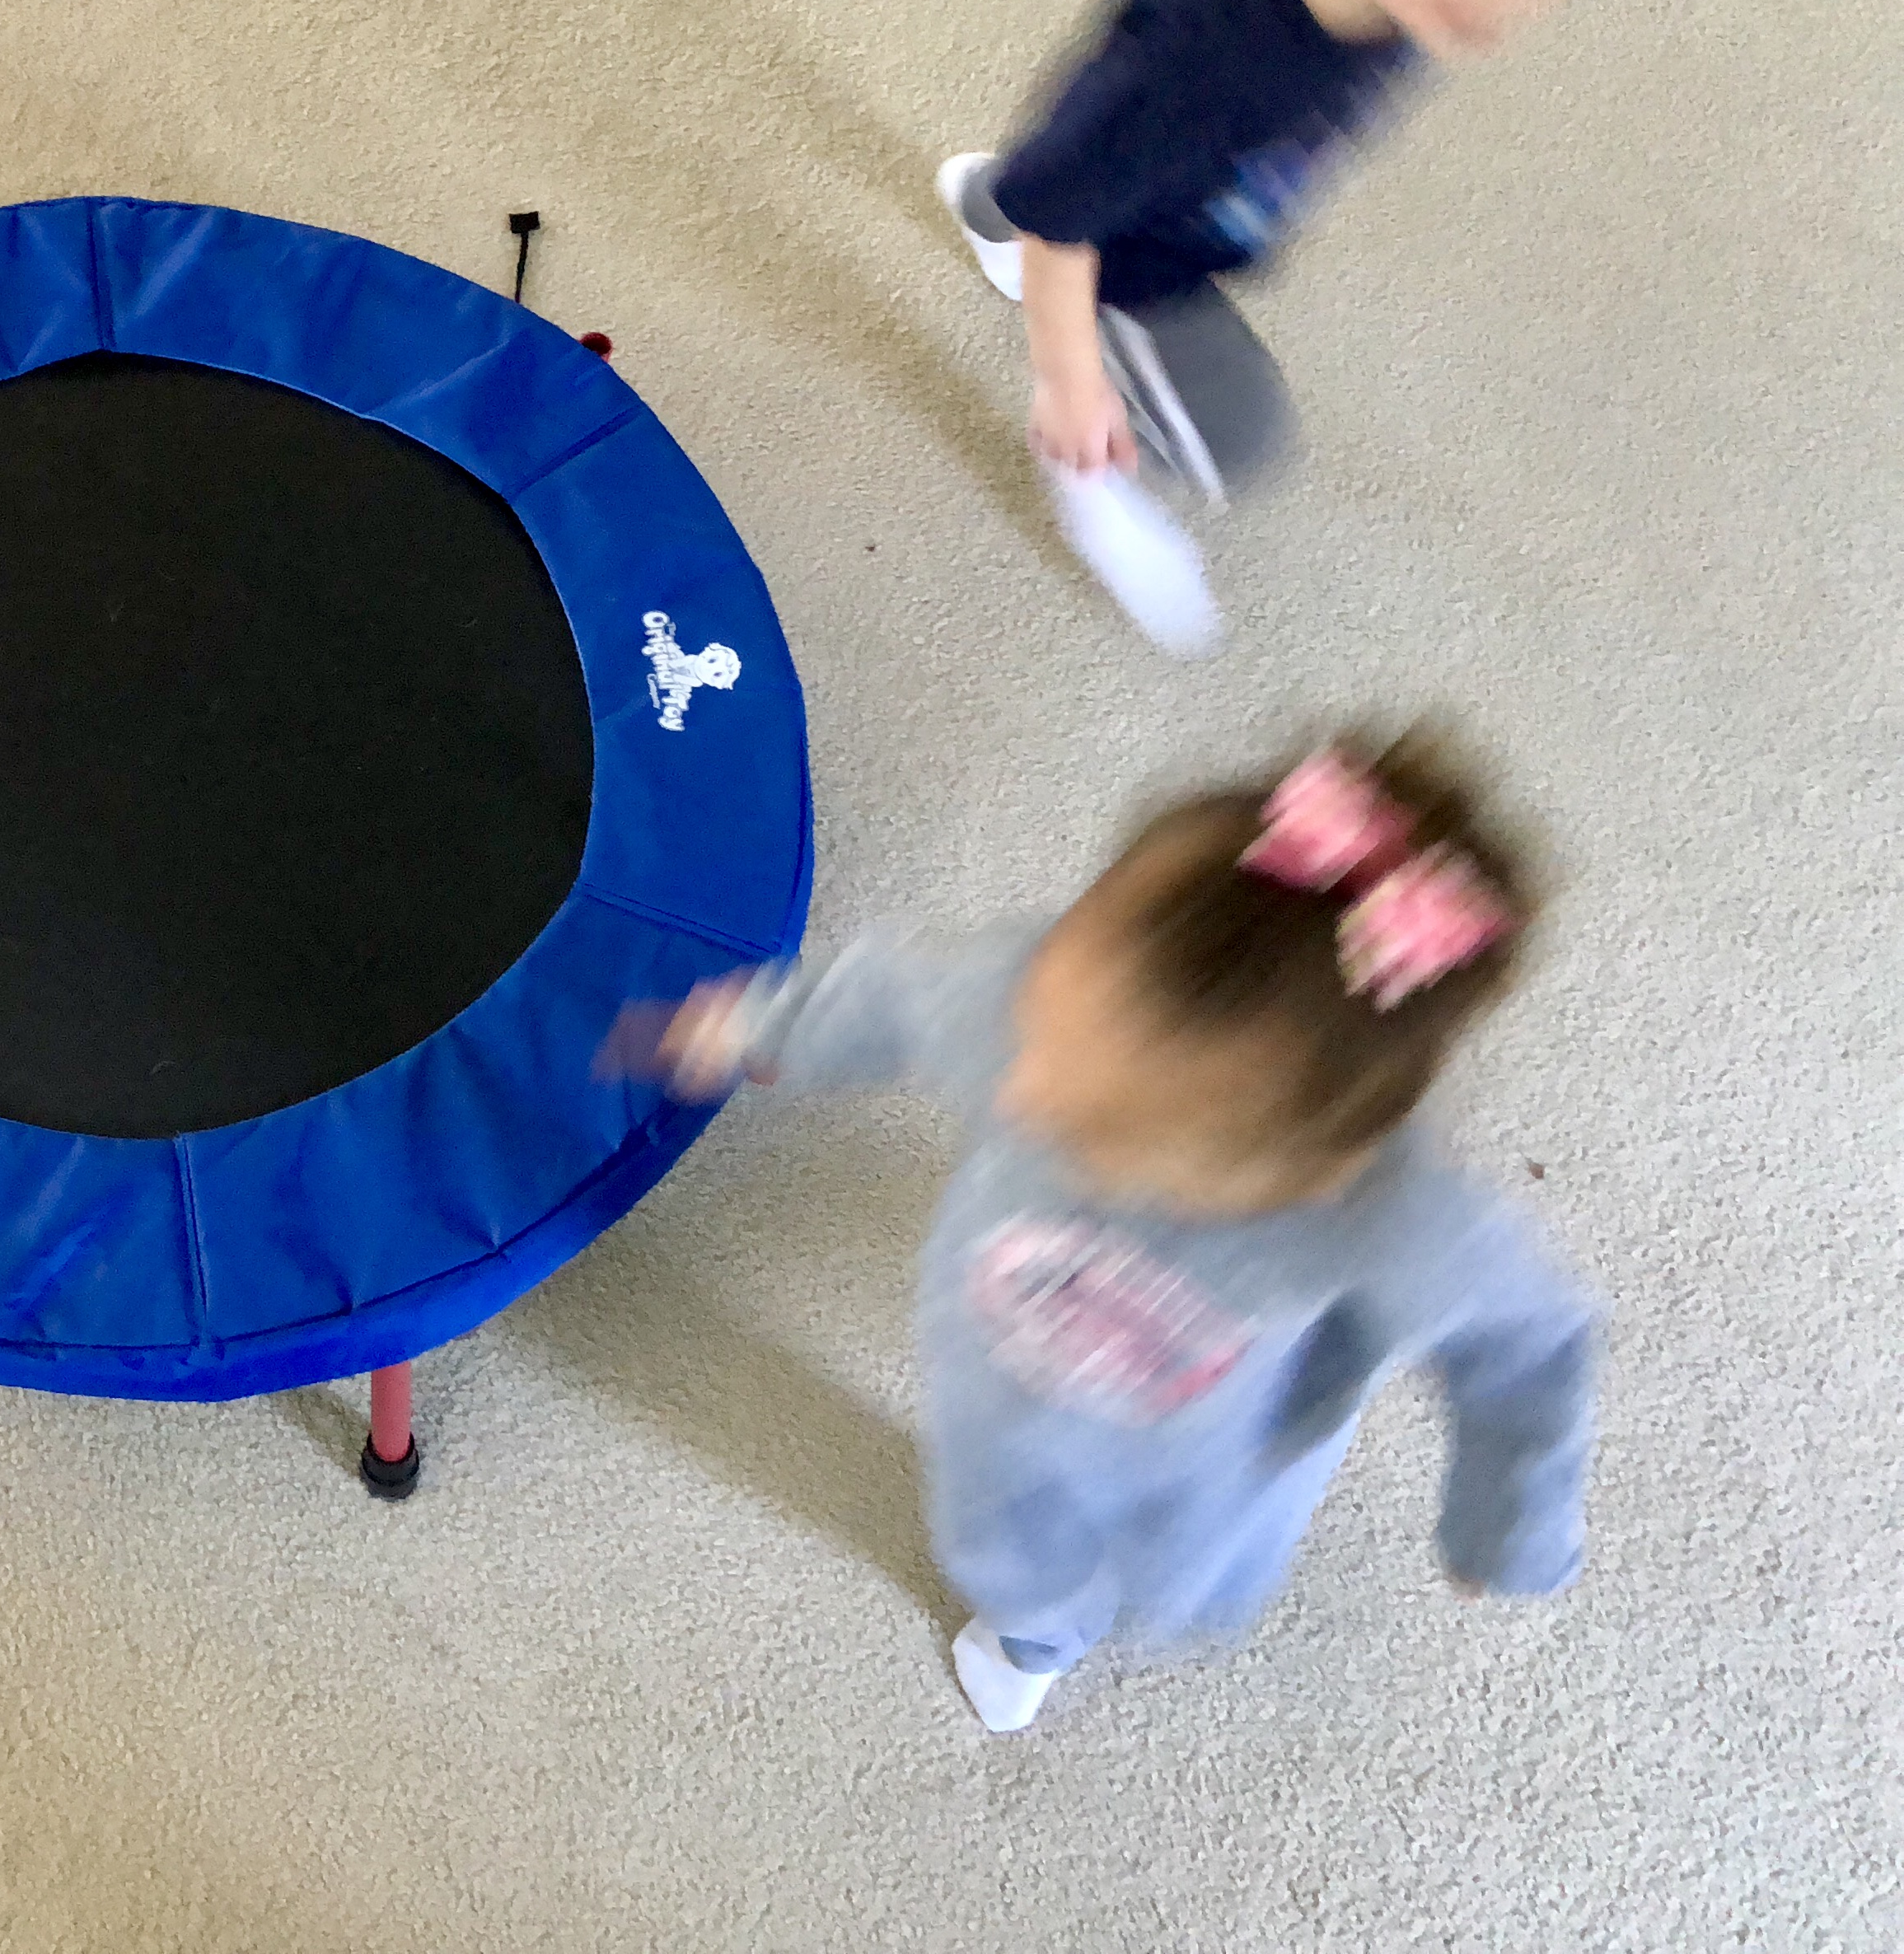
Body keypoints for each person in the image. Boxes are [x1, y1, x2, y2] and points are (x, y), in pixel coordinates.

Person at [623, 732, 1593, 1732]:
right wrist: (758, 1028)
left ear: (1318, 1165)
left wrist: (1506, 1525)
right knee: (1006, 1536)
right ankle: (1033, 1634)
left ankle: (1110, 1602)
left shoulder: (1389, 1219)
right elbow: (896, 991)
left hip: (1210, 1449)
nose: (1021, 1088)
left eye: (1097, 1128)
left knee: (1182, 1565)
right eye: (1043, 1020)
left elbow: (1528, 1345)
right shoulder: (1018, 998)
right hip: (1002, 1383)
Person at [936, 0, 1663, 653]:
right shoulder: (1200, 64)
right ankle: (1075, 420)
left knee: (1068, 175)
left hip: (1155, 176)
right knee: (1235, 433)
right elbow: (1070, 224)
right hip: (1146, 258)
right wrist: (1070, 384)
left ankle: (997, 199)